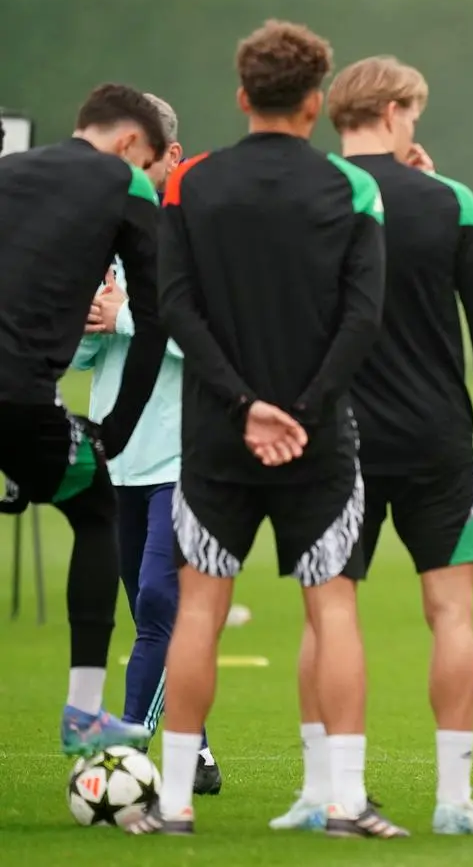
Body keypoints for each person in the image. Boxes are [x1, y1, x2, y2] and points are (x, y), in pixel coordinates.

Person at [126, 20, 404, 838]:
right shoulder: (354, 189)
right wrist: (302, 408)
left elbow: (173, 305)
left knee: (200, 611)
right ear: (317, 103)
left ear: (244, 96)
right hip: (320, 442)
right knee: (335, 612)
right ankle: (346, 801)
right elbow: (364, 319)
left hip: (216, 438)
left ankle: (173, 802)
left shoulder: (191, 183)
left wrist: (243, 403)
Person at [269, 55, 473, 836]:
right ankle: (454, 799)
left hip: (337, 442)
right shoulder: (452, 201)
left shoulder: (312, 197)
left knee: (327, 618)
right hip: (439, 440)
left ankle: (320, 791)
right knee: (453, 614)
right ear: (400, 109)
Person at [0, 83, 168, 757]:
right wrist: (114, 433)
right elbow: (157, 317)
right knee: (95, 509)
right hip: (19, 393)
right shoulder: (125, 183)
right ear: (131, 143)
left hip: (19, 412)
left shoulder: (11, 171)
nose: (152, 178)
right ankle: (85, 713)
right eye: (153, 162)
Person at [69, 93, 223, 797]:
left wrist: (126, 318)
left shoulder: (198, 240)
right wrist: (89, 327)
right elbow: (71, 361)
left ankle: (122, 755)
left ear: (171, 158)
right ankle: (198, 746)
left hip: (184, 458)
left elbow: (216, 346)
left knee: (161, 602)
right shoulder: (96, 237)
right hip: (115, 457)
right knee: (145, 609)